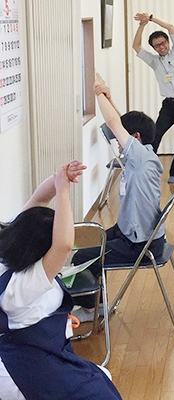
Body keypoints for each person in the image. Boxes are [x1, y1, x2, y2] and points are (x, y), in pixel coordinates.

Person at [0, 162, 122, 400]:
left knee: (101, 377)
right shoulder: (21, 286)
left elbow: (37, 201)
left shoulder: (14, 249)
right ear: (40, 250)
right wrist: (63, 192)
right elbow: (63, 245)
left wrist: (60, 179)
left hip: (44, 352)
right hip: (25, 367)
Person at [71, 74, 165, 322]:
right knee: (89, 240)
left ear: (134, 138)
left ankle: (92, 309)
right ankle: (94, 303)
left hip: (140, 245)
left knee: (83, 256)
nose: (118, 144)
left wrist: (98, 93)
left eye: (123, 140)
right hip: (131, 232)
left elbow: (114, 123)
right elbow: (121, 125)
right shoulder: (144, 154)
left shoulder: (140, 160)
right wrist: (110, 98)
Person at [133, 12, 174, 184]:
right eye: (157, 46)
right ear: (154, 48)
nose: (161, 47)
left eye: (163, 43)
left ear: (168, 42)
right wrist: (142, 25)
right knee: (154, 134)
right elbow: (136, 46)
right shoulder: (154, 61)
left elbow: (170, 28)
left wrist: (151, 18)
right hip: (170, 105)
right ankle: (146, 168)